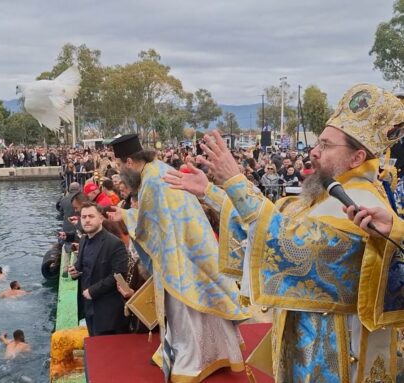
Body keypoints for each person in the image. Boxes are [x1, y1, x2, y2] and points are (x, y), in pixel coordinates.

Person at [165, 83, 404, 382]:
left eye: (327, 146)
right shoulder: (328, 194)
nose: (314, 152)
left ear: (356, 158)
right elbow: (273, 218)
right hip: (306, 334)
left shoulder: (360, 204)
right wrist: (211, 191)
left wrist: (236, 181)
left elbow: (290, 243)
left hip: (337, 348)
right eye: (318, 143)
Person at [107, 134, 249, 382]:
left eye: (119, 165)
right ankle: (219, 352)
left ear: (129, 161)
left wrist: (126, 216)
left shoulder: (152, 181)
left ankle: (193, 362)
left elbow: (146, 227)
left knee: (185, 312)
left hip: (180, 257)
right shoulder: (159, 169)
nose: (119, 172)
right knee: (201, 306)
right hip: (192, 247)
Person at [68, 202, 129, 336]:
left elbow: (119, 275)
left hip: (108, 312)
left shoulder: (114, 243)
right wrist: (75, 272)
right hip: (88, 307)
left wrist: (92, 291)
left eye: (91, 216)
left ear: (101, 218)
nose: (87, 220)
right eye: (84, 217)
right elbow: (82, 267)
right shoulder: (83, 240)